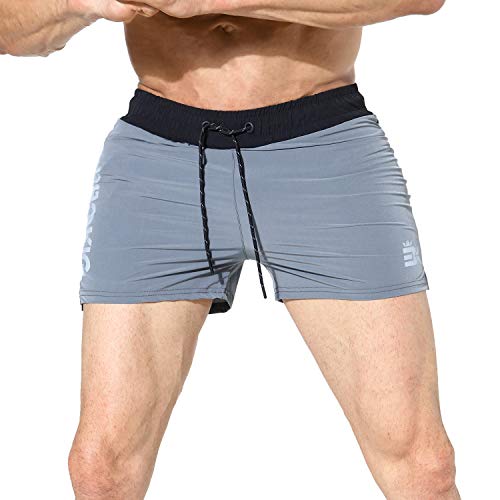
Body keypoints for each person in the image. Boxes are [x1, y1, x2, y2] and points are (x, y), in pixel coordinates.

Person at [1, 0, 460, 498]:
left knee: (423, 467)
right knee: (100, 471)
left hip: (323, 147)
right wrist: (83, 2)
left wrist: (203, 1)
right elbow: (10, 27)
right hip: (158, 156)